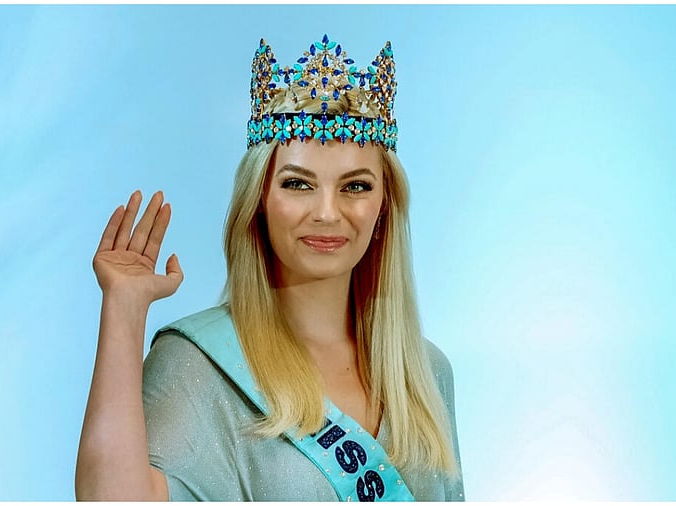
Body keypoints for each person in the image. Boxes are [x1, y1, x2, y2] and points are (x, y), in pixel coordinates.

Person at [75, 34, 464, 501]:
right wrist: (123, 309)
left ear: (385, 206)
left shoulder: (424, 372)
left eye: (356, 187)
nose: (326, 212)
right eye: (298, 184)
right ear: (260, 200)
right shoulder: (201, 364)